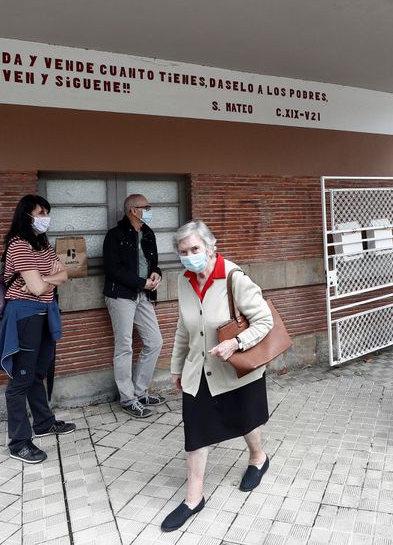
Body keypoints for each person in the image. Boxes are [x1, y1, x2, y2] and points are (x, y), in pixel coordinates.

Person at [161, 220, 274, 532]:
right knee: (195, 433)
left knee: (245, 420)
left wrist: (236, 342)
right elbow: (184, 328)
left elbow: (265, 321)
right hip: (199, 372)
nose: (189, 255)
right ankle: (193, 498)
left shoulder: (233, 277)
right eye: (183, 251)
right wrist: (176, 366)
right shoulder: (184, 282)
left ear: (210, 248)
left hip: (235, 370)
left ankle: (258, 458)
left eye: (195, 249)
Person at [0, 194, 76, 464]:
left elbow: (63, 275)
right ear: (26, 215)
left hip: (43, 315)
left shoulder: (42, 244)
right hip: (24, 318)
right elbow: (39, 287)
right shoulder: (18, 245)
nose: (44, 218)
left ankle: (43, 422)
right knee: (20, 380)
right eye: (40, 213)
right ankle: (19, 442)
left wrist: (44, 280)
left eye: (46, 213)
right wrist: (44, 282)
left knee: (38, 372)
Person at [103, 194, 166, 418]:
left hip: (144, 295)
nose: (149, 210)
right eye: (145, 207)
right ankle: (128, 398)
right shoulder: (115, 235)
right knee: (124, 346)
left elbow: (154, 263)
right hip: (121, 296)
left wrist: (156, 275)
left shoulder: (148, 233)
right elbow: (113, 269)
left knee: (155, 341)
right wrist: (142, 282)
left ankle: (140, 392)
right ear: (133, 210)